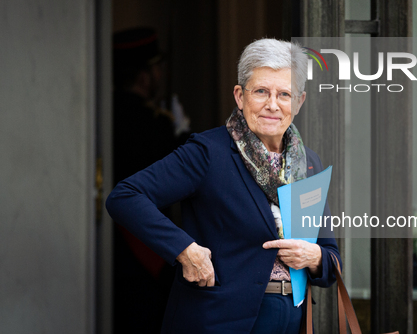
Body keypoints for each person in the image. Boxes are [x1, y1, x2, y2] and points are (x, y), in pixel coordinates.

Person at [106, 38, 342, 333]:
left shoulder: (308, 162)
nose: (273, 104)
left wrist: (316, 257)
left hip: (292, 320)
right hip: (221, 320)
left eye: (284, 94)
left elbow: (331, 260)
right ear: (240, 96)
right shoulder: (208, 152)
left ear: (299, 101)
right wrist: (184, 249)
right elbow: (126, 196)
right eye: (261, 92)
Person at [112, 27, 191, 333]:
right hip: (146, 247)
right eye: (157, 68)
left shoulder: (103, 114)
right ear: (144, 77)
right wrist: (182, 133)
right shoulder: (154, 124)